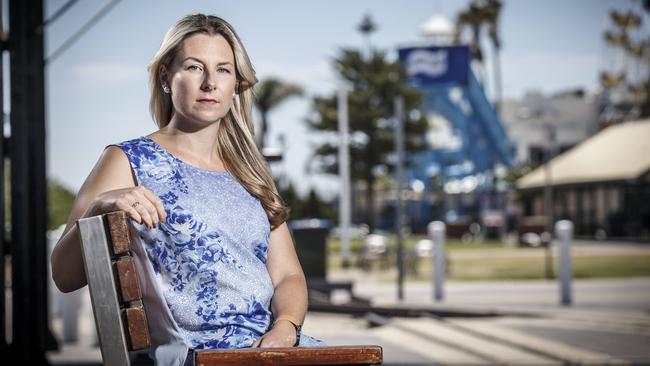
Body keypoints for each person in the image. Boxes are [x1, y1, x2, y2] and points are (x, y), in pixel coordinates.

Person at [50, 13, 324, 365]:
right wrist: (102, 206)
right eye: (195, 67)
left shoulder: (250, 171)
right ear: (166, 76)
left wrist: (286, 328)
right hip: (193, 353)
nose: (210, 83)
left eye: (223, 70)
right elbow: (64, 276)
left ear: (236, 83)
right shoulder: (128, 160)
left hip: (270, 349)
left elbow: (287, 274)